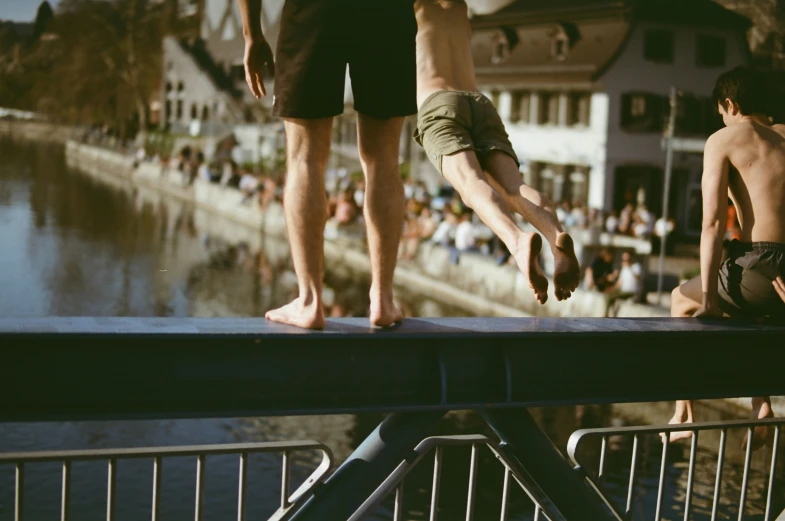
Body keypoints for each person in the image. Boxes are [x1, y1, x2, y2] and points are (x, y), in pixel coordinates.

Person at [239, 0, 417, 328]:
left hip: (314, 10)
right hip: (388, 12)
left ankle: (309, 301)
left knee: (304, 157)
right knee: (384, 159)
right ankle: (383, 298)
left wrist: (251, 34)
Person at [412, 0, 579, 303]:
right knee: (516, 187)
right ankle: (556, 240)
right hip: (479, 101)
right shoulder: (460, 7)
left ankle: (517, 242)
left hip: (437, 101)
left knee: (470, 184)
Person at [667, 66, 785, 448]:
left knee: (680, 300)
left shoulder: (724, 139)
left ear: (730, 104)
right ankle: (761, 402)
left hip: (757, 266)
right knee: (761, 311)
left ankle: (683, 412)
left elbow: (713, 222)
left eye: (721, 112)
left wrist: (711, 302)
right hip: (779, 281)